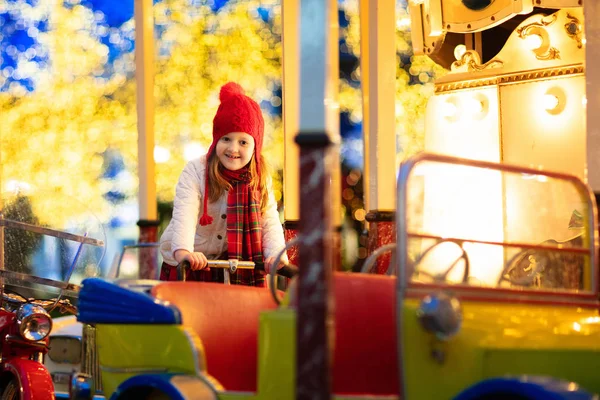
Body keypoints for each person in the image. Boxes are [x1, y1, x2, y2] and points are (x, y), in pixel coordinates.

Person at [159, 82, 288, 287]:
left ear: (255, 147)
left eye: (243, 142)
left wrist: (276, 254)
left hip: (224, 264)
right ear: (216, 139)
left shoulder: (259, 176)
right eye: (226, 139)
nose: (233, 148)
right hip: (185, 261)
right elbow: (185, 213)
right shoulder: (196, 171)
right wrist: (184, 251)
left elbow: (269, 219)